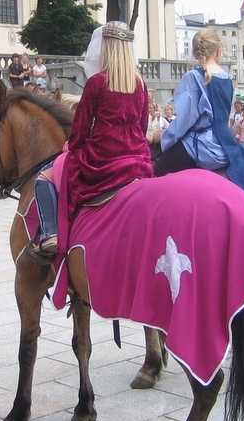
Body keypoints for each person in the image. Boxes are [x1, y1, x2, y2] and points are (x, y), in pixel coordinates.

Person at [31, 21, 153, 257]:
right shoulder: (140, 84)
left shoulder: (97, 82)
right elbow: (143, 126)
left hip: (103, 158)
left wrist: (72, 146)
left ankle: (50, 235)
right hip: (137, 158)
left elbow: (81, 128)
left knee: (43, 177)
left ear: (106, 48)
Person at [154, 29, 244, 210]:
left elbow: (185, 121)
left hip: (201, 144)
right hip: (225, 143)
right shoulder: (227, 78)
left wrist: (164, 136)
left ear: (195, 53)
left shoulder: (194, 77)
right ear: (218, 51)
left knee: (157, 173)